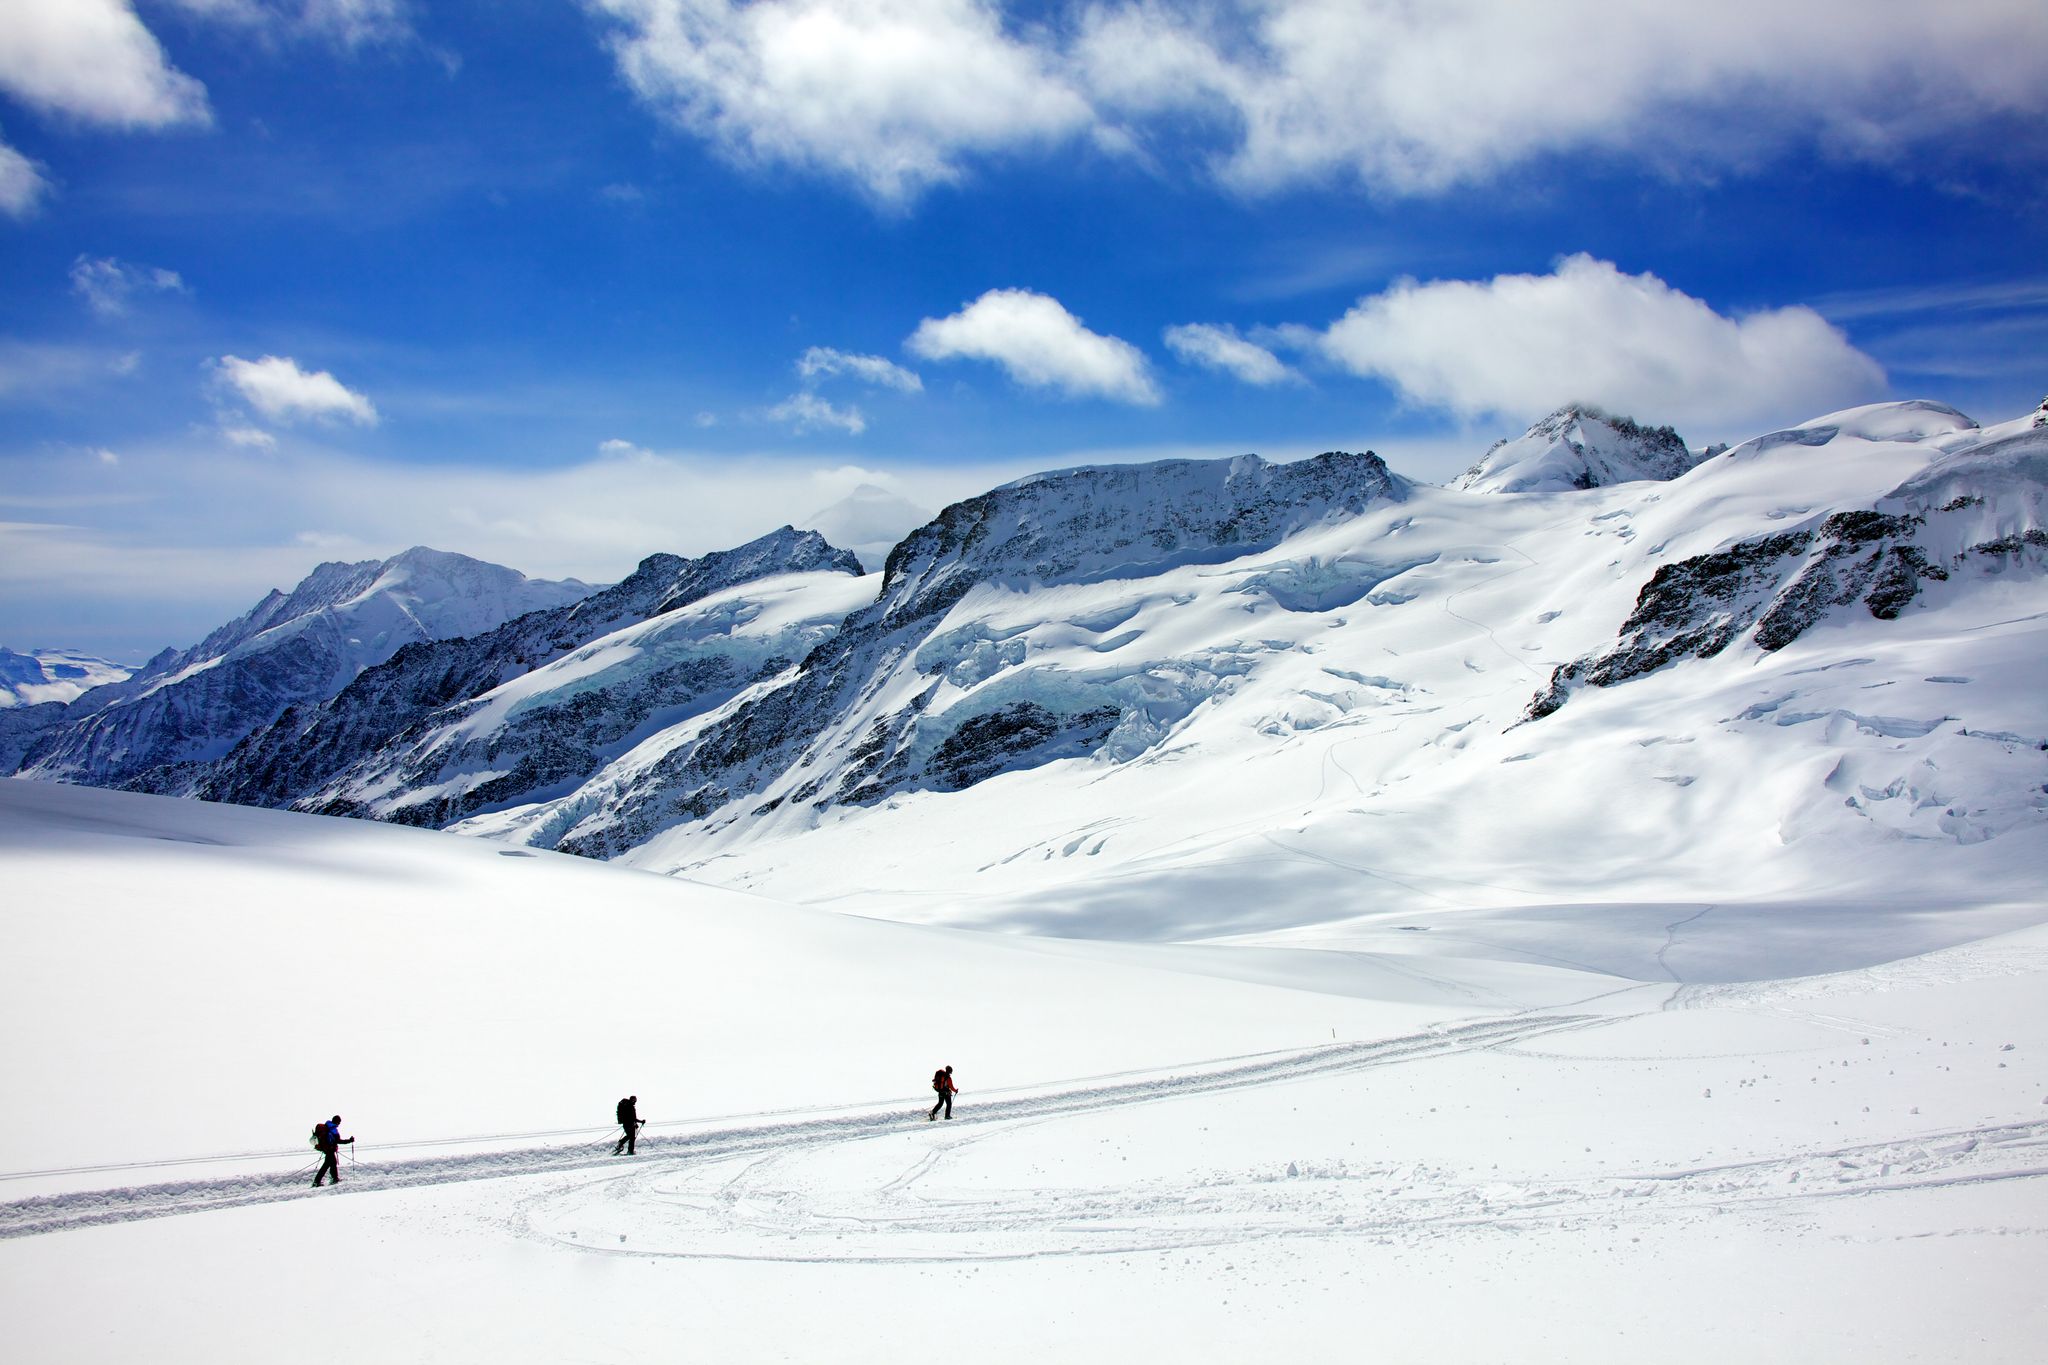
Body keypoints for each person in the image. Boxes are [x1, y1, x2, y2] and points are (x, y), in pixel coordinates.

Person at [312, 1115, 353, 1187]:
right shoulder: (333, 1129)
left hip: (327, 1149)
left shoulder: (327, 1125)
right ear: (337, 1122)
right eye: (339, 1122)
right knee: (326, 1165)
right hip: (330, 1150)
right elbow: (338, 1141)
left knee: (333, 1163)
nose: (339, 1124)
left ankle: (334, 1178)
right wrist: (349, 1140)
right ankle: (317, 1181)